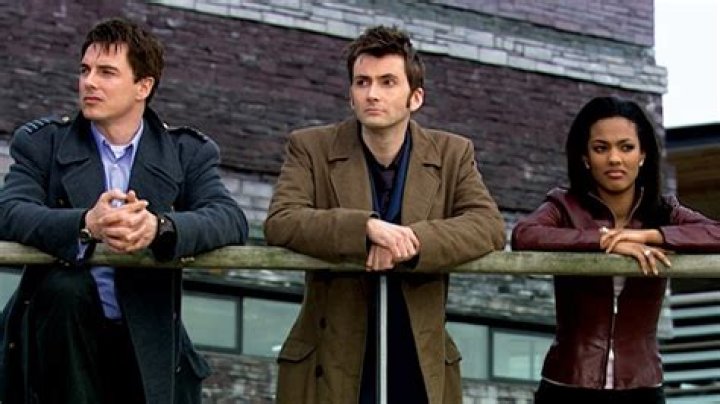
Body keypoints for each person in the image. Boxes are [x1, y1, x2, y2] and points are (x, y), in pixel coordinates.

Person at [0, 18, 248, 404]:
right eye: (85, 70)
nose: (89, 82)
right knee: (67, 288)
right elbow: (9, 210)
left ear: (143, 86)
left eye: (106, 72)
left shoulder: (186, 152)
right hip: (59, 344)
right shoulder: (43, 143)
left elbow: (230, 218)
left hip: (146, 342)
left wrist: (159, 228)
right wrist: (86, 224)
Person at [264, 25, 505, 404]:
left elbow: (488, 226)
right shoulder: (310, 146)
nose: (372, 94)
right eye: (362, 82)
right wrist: (365, 230)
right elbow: (282, 220)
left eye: (388, 82)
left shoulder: (452, 153)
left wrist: (412, 241)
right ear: (350, 94)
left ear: (416, 97)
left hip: (418, 356)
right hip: (332, 355)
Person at [511, 96, 720, 404]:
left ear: (643, 154)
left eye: (626, 147)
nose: (614, 159)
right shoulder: (564, 205)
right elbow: (524, 235)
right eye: (601, 148)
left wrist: (648, 236)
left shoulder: (664, 211)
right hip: (568, 380)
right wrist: (604, 240)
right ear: (585, 157)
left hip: (641, 385)